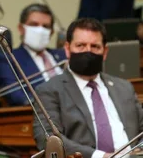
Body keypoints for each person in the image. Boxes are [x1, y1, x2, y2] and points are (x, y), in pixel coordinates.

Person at [33, 18, 143, 158]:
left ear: (105, 52)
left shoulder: (124, 87)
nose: (88, 51)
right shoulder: (49, 91)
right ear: (67, 49)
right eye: (81, 45)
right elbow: (47, 138)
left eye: (95, 46)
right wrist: (102, 156)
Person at [0, 3, 66, 106]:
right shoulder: (8, 59)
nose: (40, 30)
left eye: (46, 26)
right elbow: (16, 97)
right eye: (34, 24)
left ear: (52, 32)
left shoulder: (63, 56)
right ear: (21, 28)